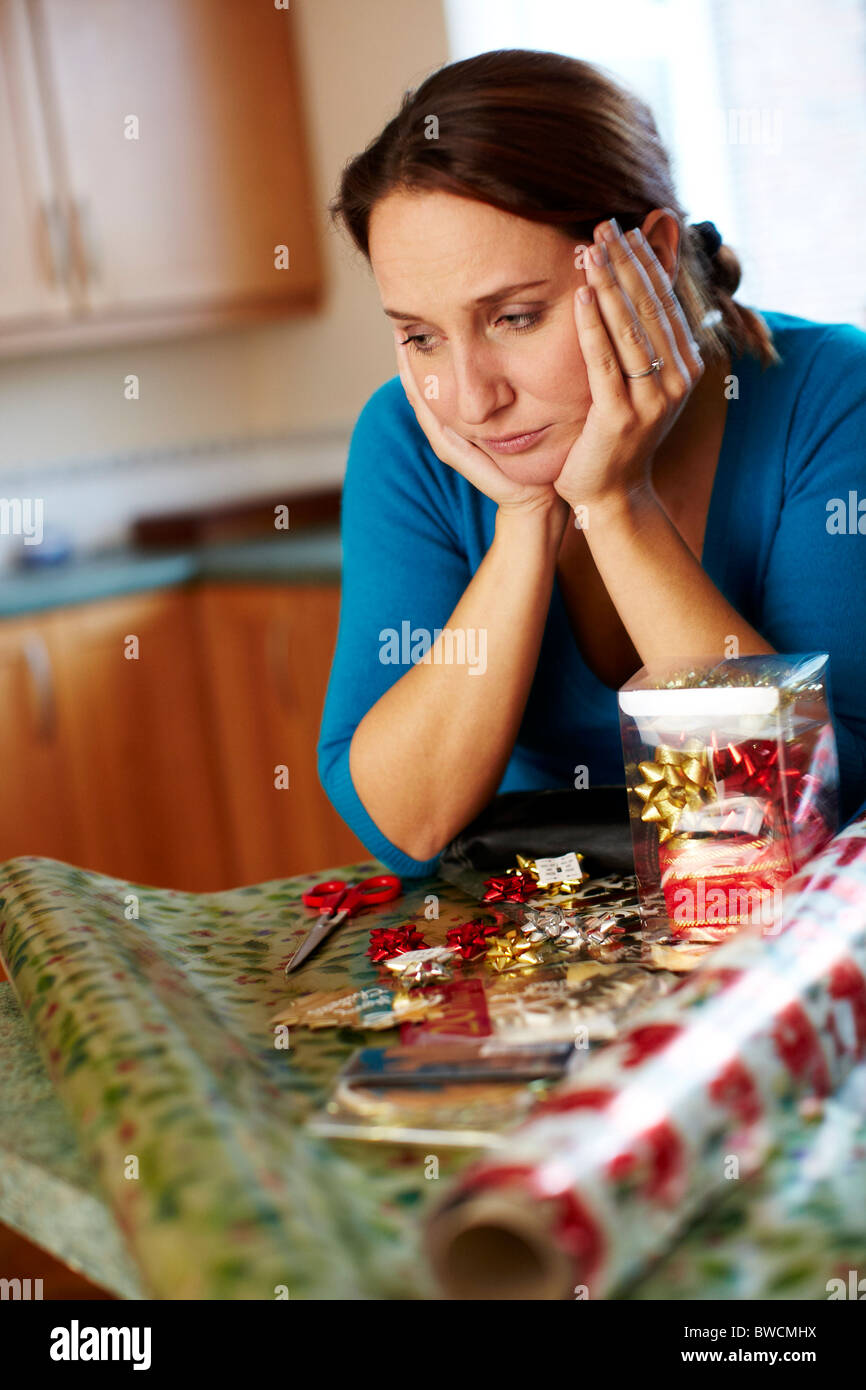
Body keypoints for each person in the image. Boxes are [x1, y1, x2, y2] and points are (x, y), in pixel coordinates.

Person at [318, 49, 866, 878]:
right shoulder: (407, 440)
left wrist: (614, 505)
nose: (470, 399)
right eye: (421, 336)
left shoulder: (831, 395)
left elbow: (790, 811)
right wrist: (524, 522)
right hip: (539, 963)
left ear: (648, 253)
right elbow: (407, 824)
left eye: (515, 317)